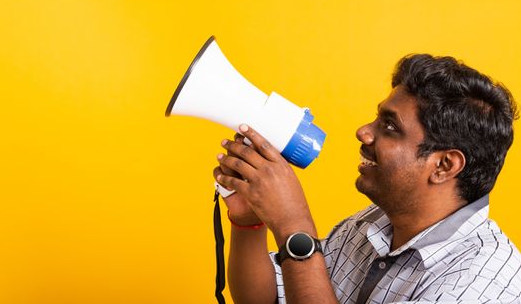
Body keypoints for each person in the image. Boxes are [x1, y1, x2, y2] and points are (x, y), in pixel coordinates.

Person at [213, 54, 521, 304]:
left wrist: (296, 228)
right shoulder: (372, 224)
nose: (363, 131)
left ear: (444, 165)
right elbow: (268, 299)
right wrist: (250, 222)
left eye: (389, 126)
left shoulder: (482, 282)